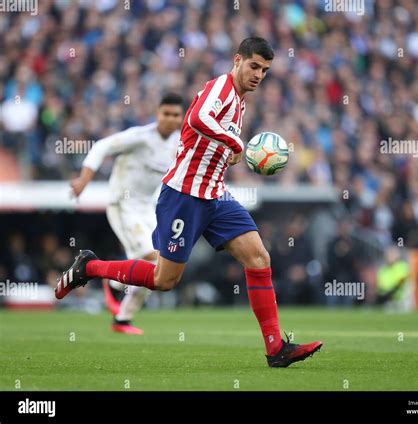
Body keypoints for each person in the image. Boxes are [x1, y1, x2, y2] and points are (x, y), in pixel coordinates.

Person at [55, 37, 322, 368]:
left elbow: (208, 140)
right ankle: (90, 267)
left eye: (265, 70)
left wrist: (231, 154)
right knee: (164, 280)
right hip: (184, 196)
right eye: (254, 66)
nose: (258, 75)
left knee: (258, 259)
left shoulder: (239, 101)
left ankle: (275, 349)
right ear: (237, 60)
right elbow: (196, 119)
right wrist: (234, 141)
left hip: (215, 195)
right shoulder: (222, 88)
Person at [69, 93, 184, 334]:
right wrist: (84, 179)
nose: (171, 119)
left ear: (181, 118)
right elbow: (102, 146)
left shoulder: (179, 143)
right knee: (153, 259)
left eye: (176, 115)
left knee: (159, 266)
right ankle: (111, 282)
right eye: (166, 114)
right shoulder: (140, 137)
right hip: (122, 203)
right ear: (158, 114)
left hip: (147, 208)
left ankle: (122, 317)